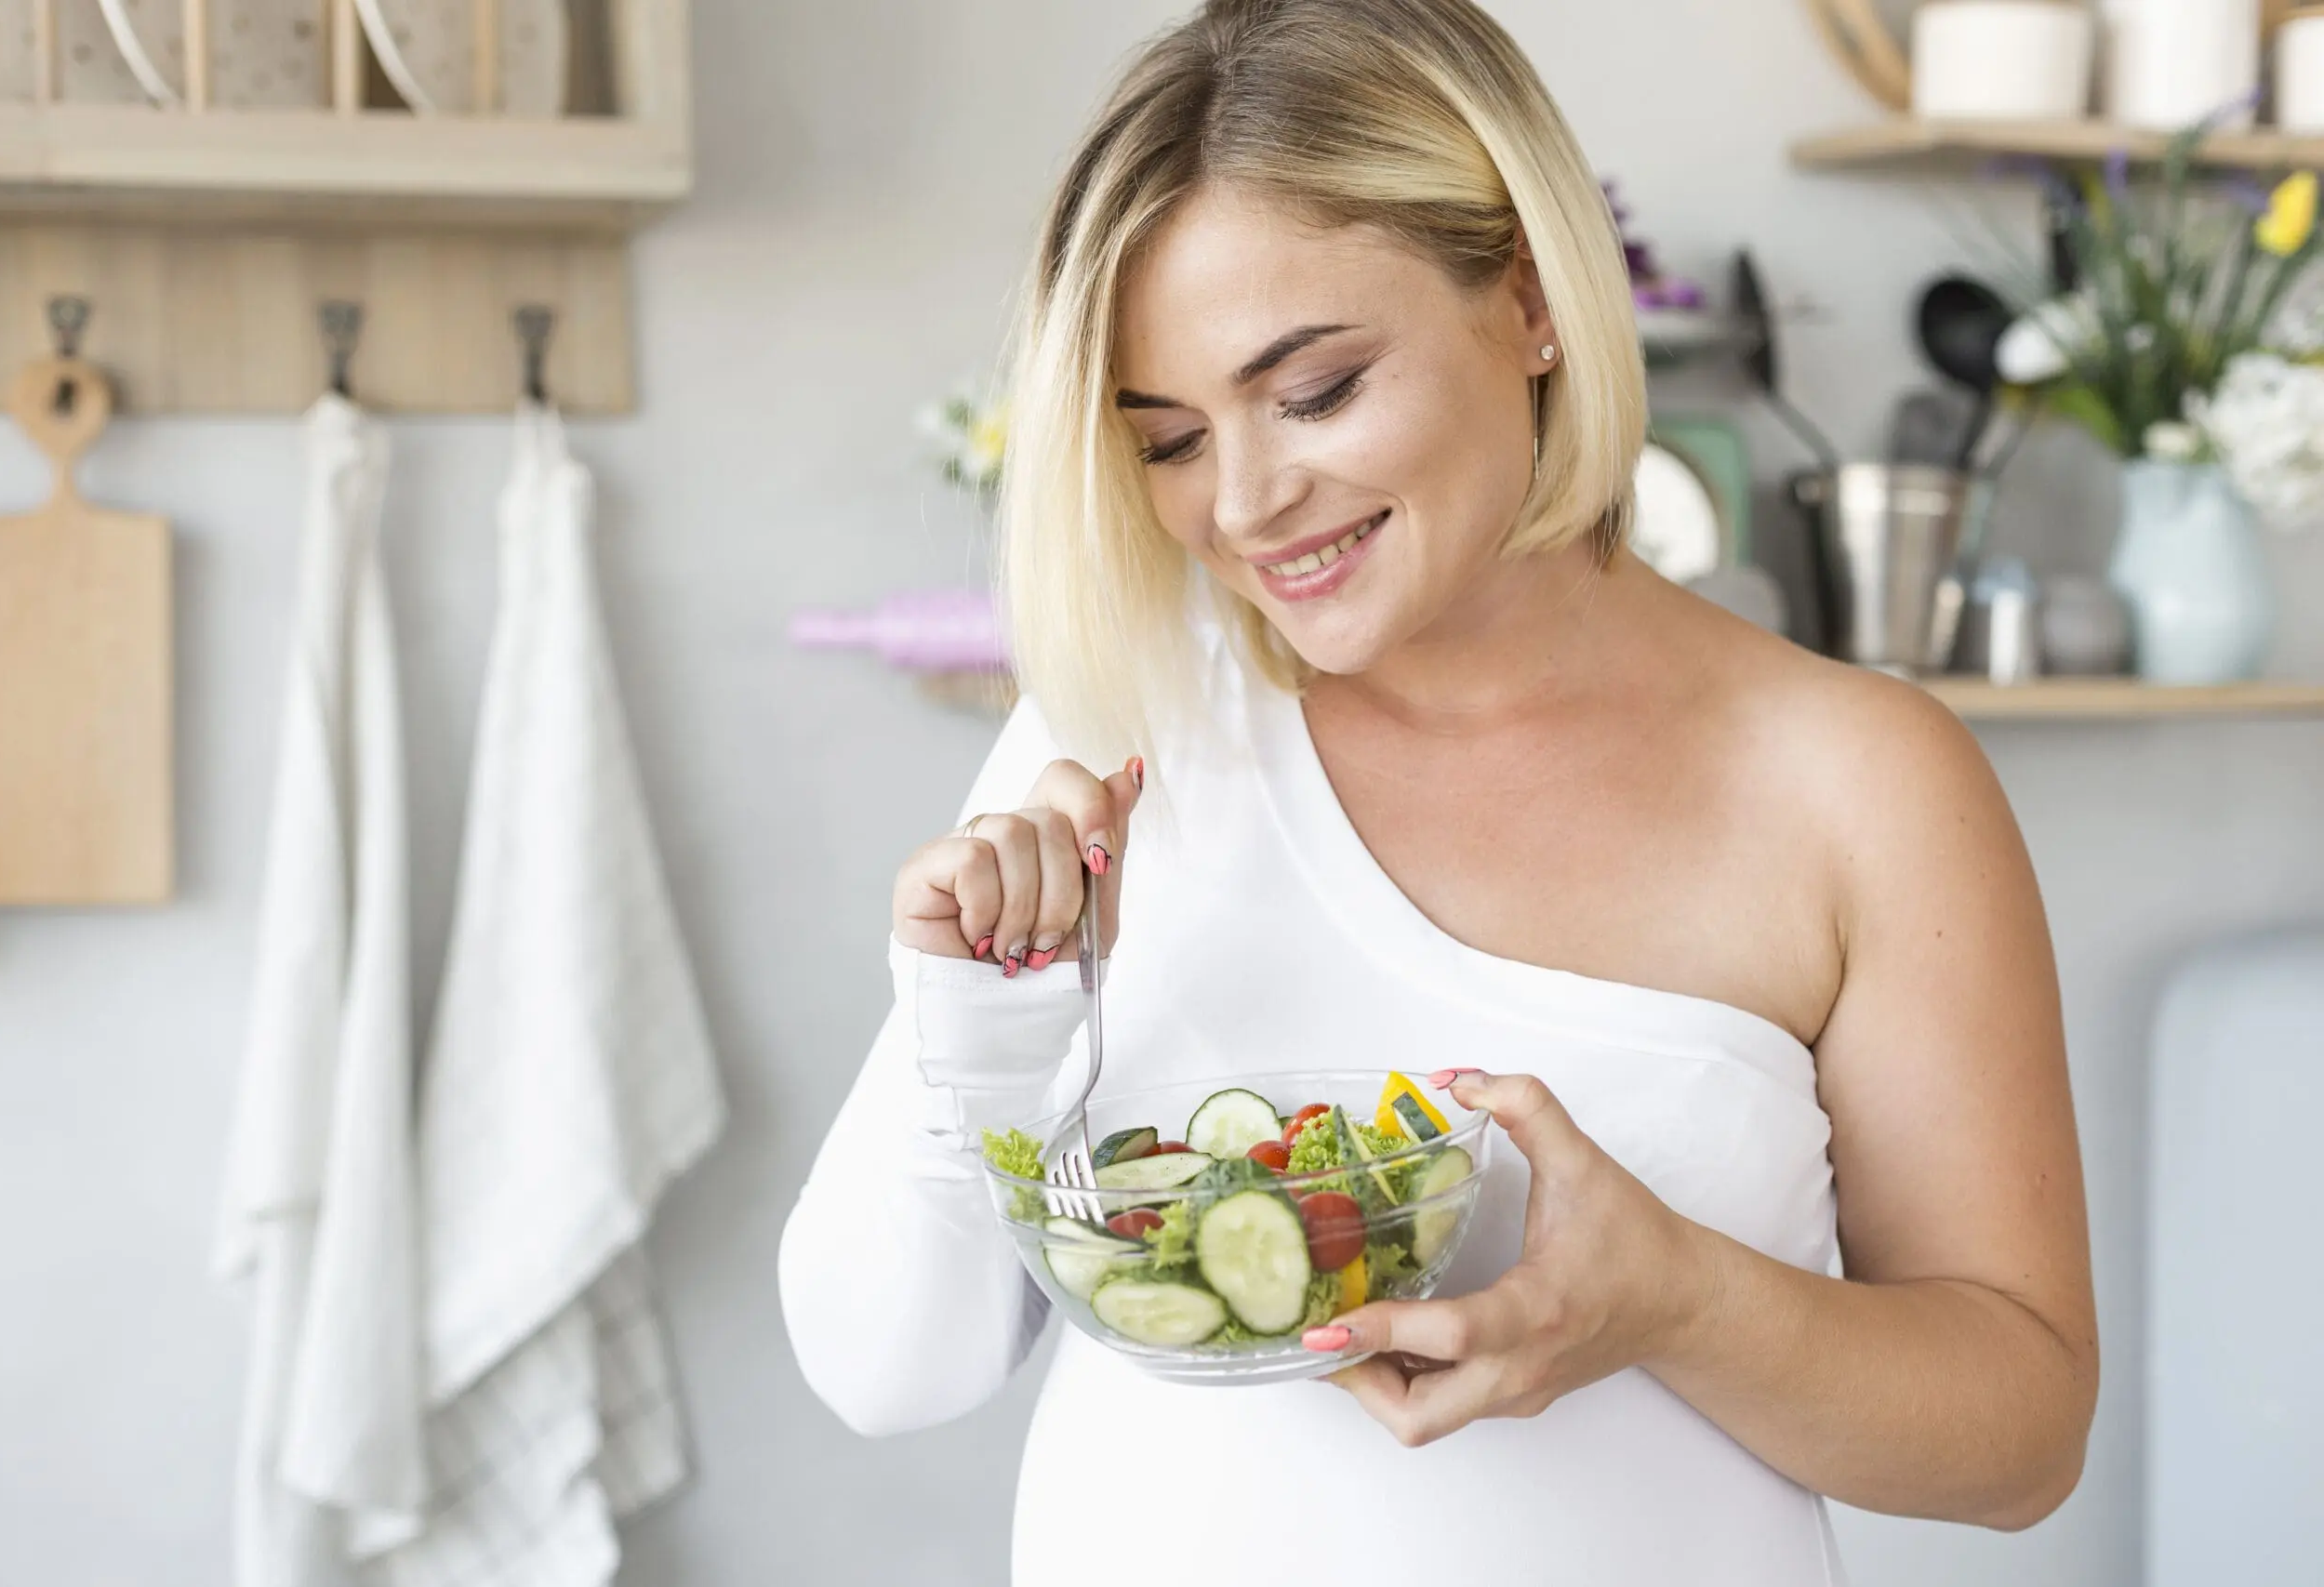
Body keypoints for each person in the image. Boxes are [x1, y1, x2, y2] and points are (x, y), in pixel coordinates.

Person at [778, 2, 2097, 1580]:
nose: (1246, 504)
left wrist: (1679, 1300)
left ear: (1529, 300)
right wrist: (985, 1026)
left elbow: (2022, 1439)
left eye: (1316, 390)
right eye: (1173, 440)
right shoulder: (1127, 730)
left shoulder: (1859, 781)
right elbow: (880, 1367)